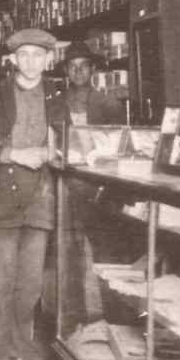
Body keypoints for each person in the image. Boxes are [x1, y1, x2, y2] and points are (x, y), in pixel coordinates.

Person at [0, 27, 70, 360]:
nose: (31, 62)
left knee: (29, 290)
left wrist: (57, 153)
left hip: (39, 201)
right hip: (0, 201)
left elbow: (70, 143)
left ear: (48, 60)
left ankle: (17, 351)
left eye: (38, 55)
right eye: (23, 55)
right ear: (12, 59)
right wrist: (14, 154)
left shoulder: (57, 96)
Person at [58, 41, 124, 333]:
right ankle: (73, 320)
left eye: (83, 66)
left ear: (93, 70)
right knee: (69, 256)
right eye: (72, 66)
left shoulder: (108, 104)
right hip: (67, 186)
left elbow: (121, 146)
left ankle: (115, 318)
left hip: (99, 187)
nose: (78, 71)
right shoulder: (56, 104)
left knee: (107, 255)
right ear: (65, 71)